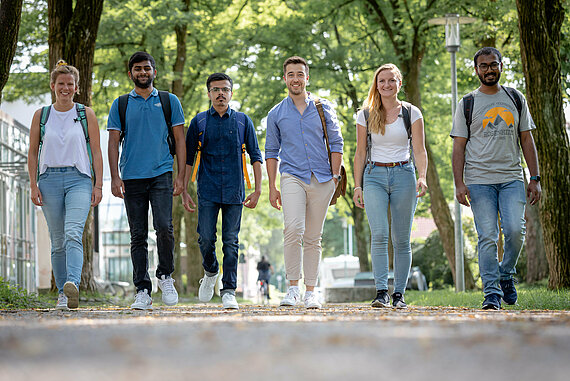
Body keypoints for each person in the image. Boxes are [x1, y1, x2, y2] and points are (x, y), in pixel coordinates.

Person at [451, 47, 541, 310]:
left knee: (515, 231)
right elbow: (458, 146)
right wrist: (459, 182)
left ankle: (506, 274)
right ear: (476, 69)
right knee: (488, 236)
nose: (488, 69)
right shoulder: (467, 103)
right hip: (479, 181)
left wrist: (534, 177)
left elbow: (527, 138)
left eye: (493, 65)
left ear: (501, 66)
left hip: (512, 177)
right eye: (483, 66)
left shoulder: (515, 97)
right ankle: (491, 293)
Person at [107, 51, 186, 310]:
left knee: (164, 227)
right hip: (131, 177)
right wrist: (115, 177)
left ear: (154, 72)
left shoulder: (168, 100)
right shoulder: (120, 104)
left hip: (162, 173)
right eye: (138, 69)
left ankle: (165, 275)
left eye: (147, 68)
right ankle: (142, 289)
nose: (143, 72)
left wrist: (181, 176)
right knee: (137, 234)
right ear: (130, 74)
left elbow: (180, 140)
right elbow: (112, 143)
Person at [265, 56, 344, 309]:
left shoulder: (324, 108)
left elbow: (336, 143)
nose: (295, 79)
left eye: (300, 74)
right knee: (293, 229)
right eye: (291, 74)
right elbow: (270, 151)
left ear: (306, 78)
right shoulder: (276, 113)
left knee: (313, 237)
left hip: (323, 178)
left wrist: (335, 177)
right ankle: (292, 289)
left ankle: (311, 292)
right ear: (284, 78)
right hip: (292, 176)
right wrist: (272, 187)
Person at [27, 60, 104, 310]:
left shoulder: (85, 114)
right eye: (61, 83)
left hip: (79, 180)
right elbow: (32, 153)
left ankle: (72, 284)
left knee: (73, 233)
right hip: (48, 180)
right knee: (57, 240)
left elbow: (96, 152)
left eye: (70, 84)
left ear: (76, 87)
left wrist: (98, 185)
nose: (65, 88)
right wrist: (33, 185)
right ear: (53, 86)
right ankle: (62, 294)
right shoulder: (42, 115)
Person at [182, 73, 262, 310]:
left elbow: (255, 156)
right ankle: (211, 271)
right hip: (207, 189)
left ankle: (229, 290)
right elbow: (188, 158)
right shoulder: (199, 122)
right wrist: (184, 188)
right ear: (208, 94)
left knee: (231, 241)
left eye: (225, 89)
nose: (220, 94)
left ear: (231, 93)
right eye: (215, 89)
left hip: (235, 191)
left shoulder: (242, 122)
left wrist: (257, 190)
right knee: (205, 238)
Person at [352, 63, 428, 309]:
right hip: (374, 175)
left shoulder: (411, 113)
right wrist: (357, 185)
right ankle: (382, 292)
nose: (386, 85)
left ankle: (399, 295)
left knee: (402, 239)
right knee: (380, 235)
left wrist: (422, 175)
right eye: (381, 81)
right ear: (376, 84)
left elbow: (419, 149)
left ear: (399, 84)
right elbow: (360, 152)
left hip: (404, 174)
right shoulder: (365, 114)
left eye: (391, 81)